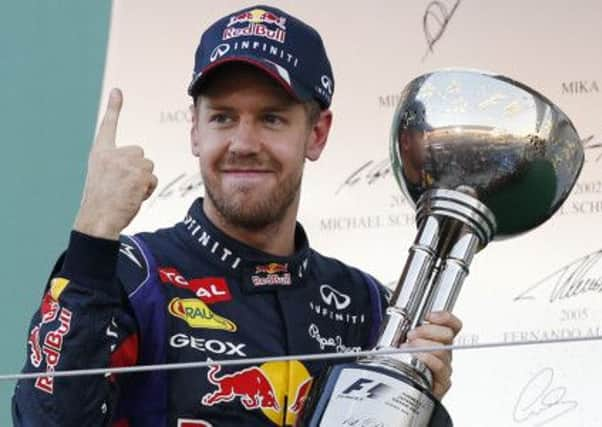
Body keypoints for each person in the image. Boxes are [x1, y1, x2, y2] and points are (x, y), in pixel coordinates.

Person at [13, 5, 462, 426]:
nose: (243, 143)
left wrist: (420, 401)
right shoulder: (129, 275)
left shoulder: (367, 306)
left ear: (317, 134)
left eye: (271, 119)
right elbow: (45, 419)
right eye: (224, 118)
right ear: (195, 129)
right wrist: (93, 232)